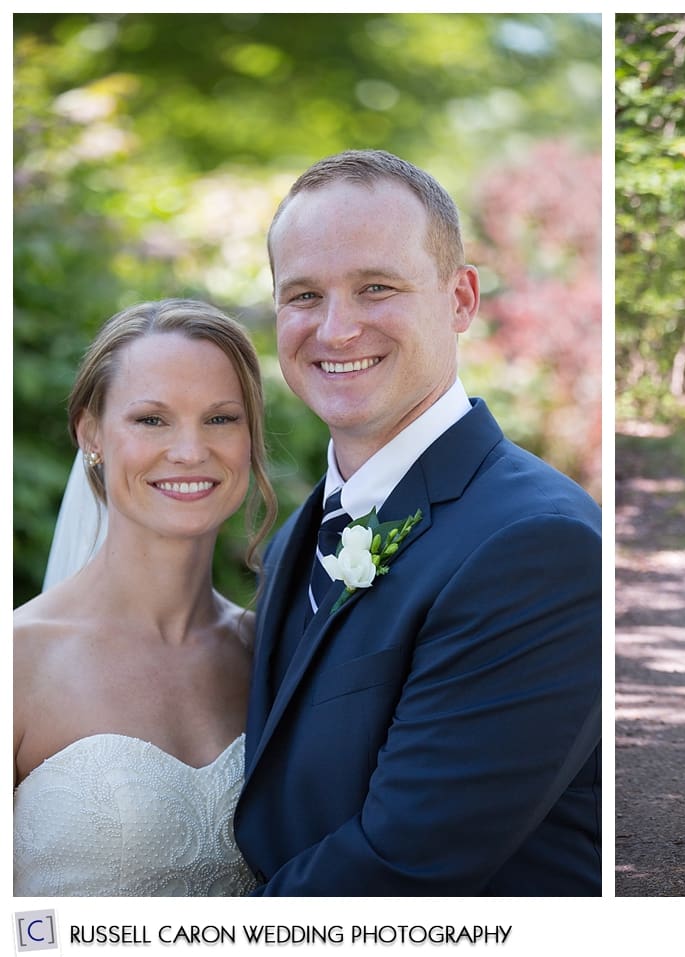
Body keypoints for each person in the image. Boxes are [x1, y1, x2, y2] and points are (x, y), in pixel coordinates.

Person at [233, 149, 601, 895]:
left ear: (461, 298)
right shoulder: (294, 538)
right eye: (302, 294)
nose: (335, 329)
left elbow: (403, 869)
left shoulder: (537, 544)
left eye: (376, 287)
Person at [13, 299, 277, 895]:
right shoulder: (18, 661)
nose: (189, 451)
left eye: (220, 419)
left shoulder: (270, 652)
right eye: (152, 420)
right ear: (91, 433)